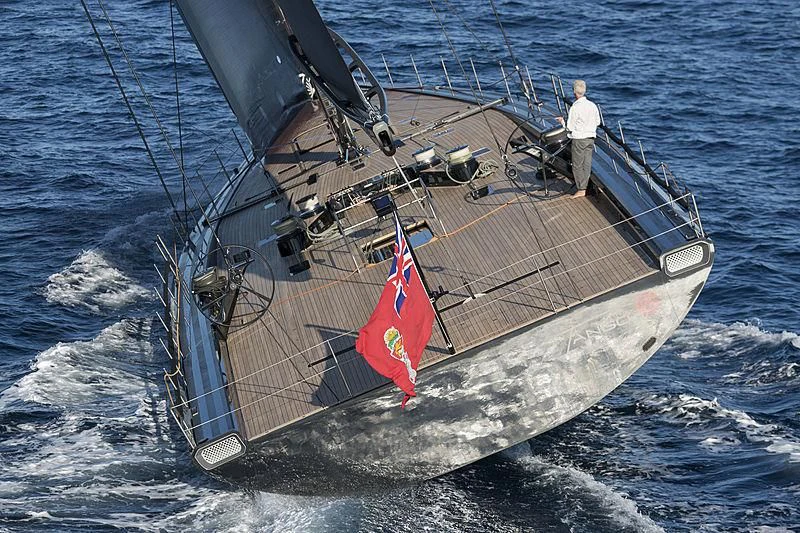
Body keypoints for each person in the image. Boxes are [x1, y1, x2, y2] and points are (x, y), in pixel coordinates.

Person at [557, 79, 601, 198]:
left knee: (577, 165)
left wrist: (562, 122)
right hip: (591, 138)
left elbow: (569, 127)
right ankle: (585, 186)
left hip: (579, 139)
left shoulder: (575, 108)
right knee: (586, 164)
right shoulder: (592, 105)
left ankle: (581, 189)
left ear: (574, 92)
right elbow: (598, 122)